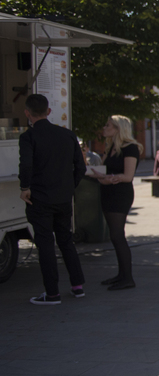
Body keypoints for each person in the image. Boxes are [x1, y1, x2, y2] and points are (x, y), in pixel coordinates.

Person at [18, 94, 87, 305]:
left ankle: (52, 293)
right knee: (66, 240)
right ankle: (77, 286)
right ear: (49, 111)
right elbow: (81, 167)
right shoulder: (67, 135)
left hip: (40, 198)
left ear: (27, 113)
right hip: (63, 198)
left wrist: (25, 187)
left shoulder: (28, 137)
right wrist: (69, 186)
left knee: (45, 243)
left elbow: (26, 165)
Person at [91, 116, 142, 291]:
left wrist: (108, 178)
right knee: (115, 235)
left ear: (119, 129)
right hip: (107, 192)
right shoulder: (111, 147)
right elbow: (106, 171)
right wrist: (99, 176)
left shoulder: (130, 148)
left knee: (117, 235)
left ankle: (127, 278)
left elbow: (128, 176)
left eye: (108, 126)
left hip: (120, 194)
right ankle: (121, 274)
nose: (104, 128)